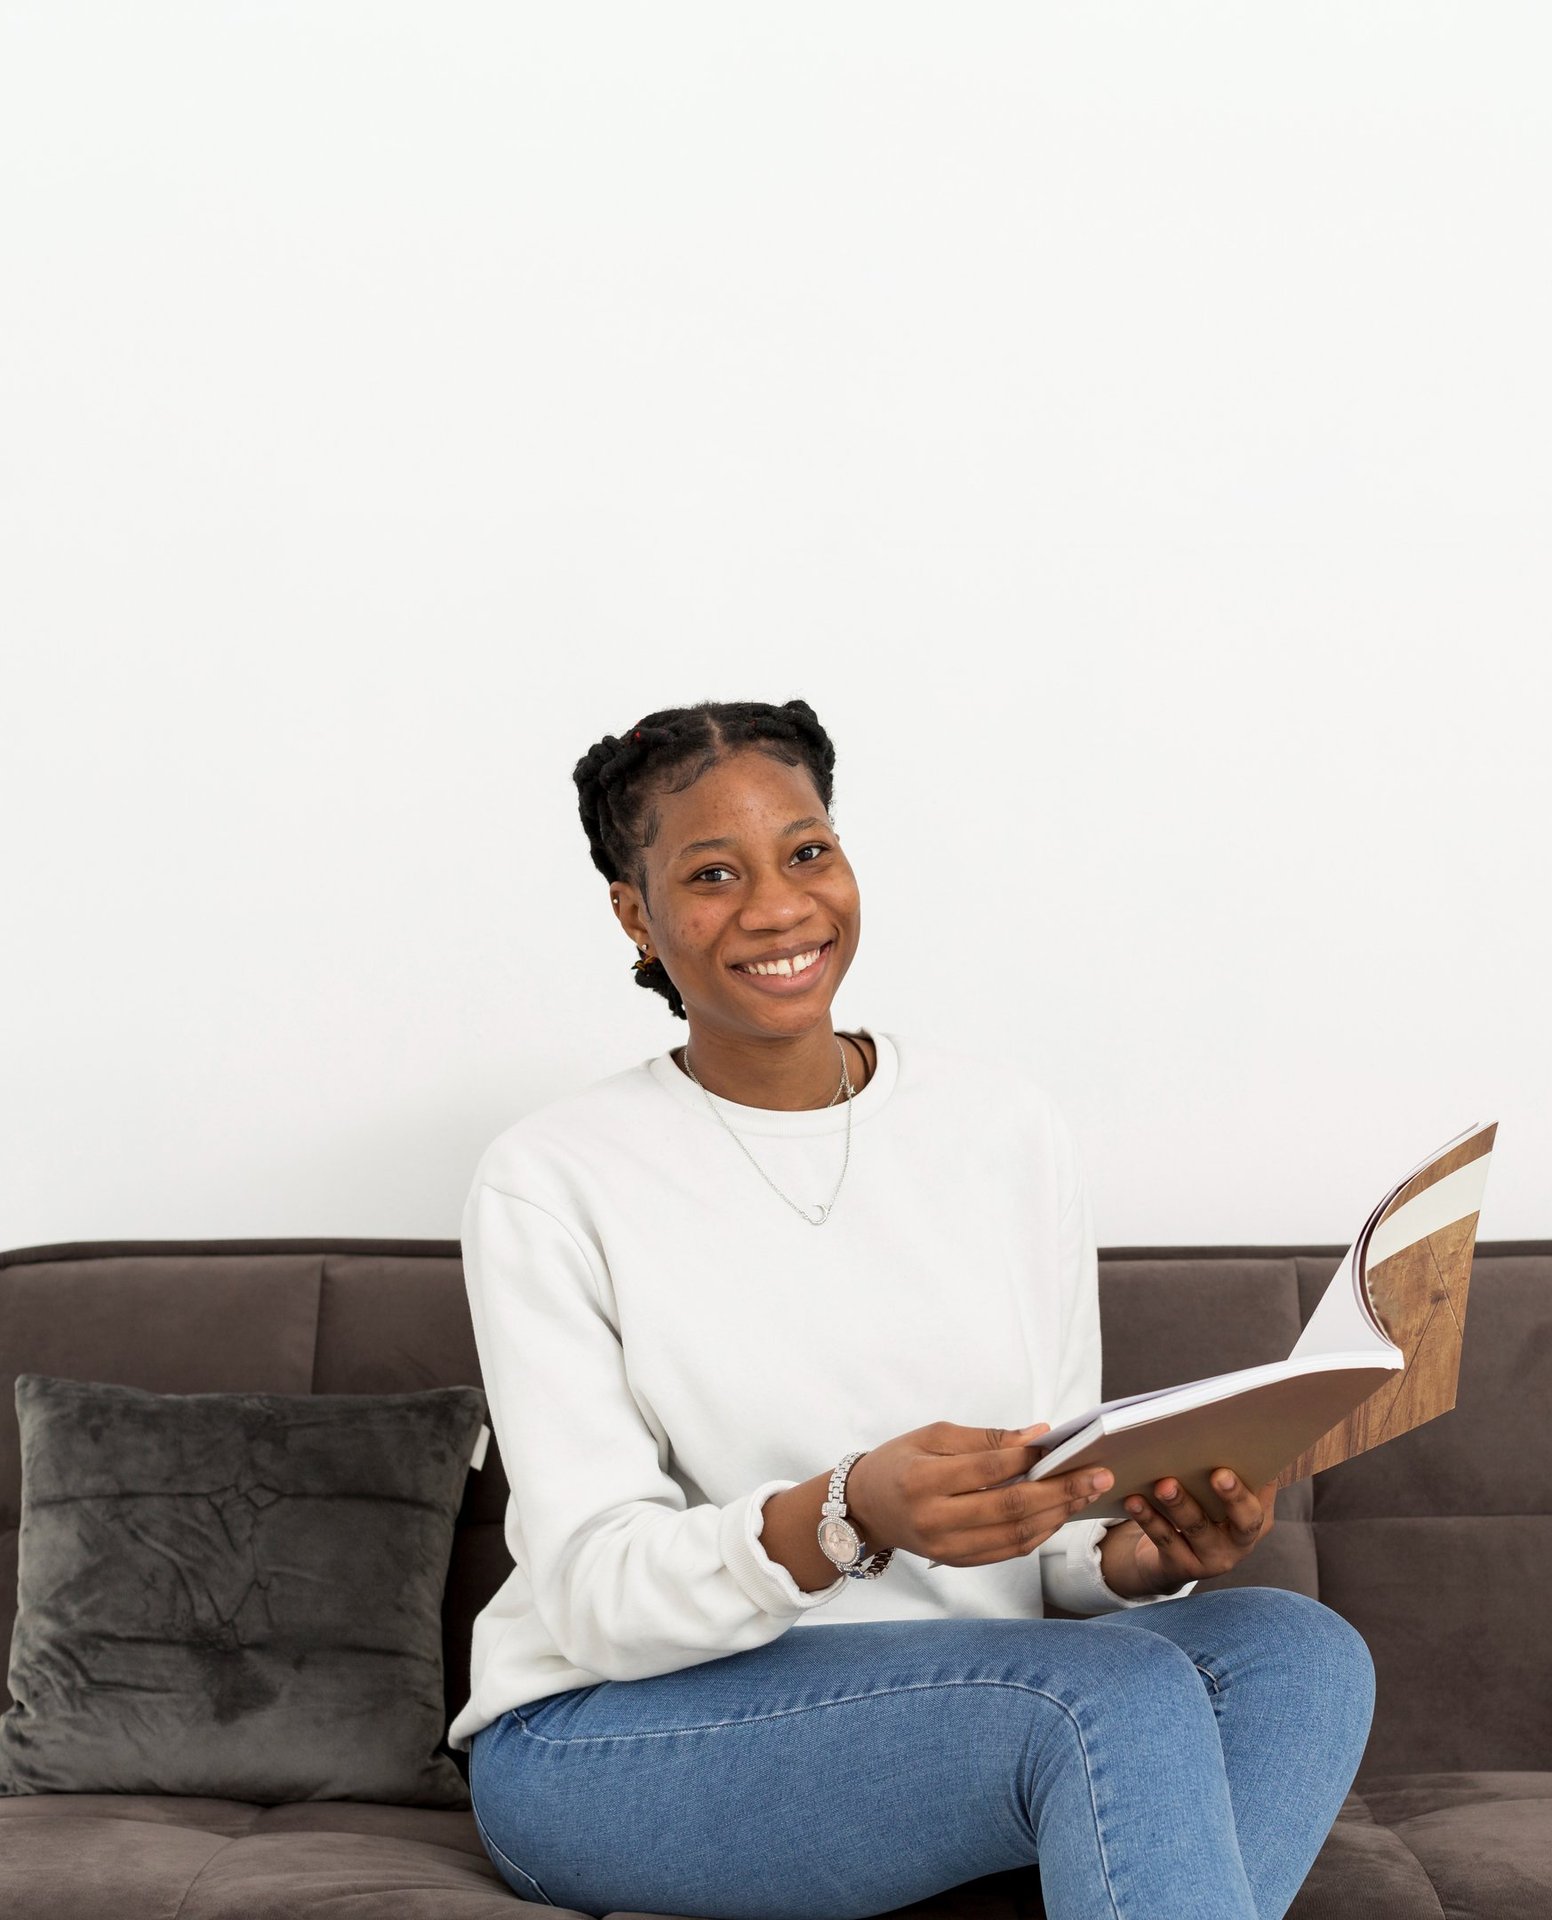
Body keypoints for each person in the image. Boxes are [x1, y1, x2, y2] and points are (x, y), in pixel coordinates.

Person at [450, 696, 1375, 1920]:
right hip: (613, 1737)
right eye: (713, 874)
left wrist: (1132, 1566)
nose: (779, 908)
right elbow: (595, 1598)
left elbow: (1046, 1535)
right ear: (637, 911)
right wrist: (844, 1518)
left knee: (1300, 1658)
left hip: (970, 1702)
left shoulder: (1004, 1131)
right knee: (1104, 1701)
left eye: (808, 852)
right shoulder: (552, 1176)